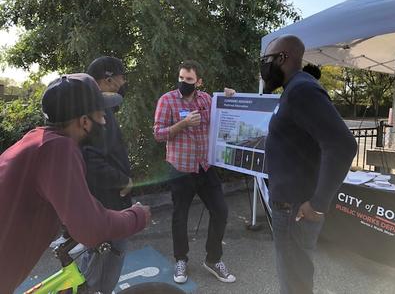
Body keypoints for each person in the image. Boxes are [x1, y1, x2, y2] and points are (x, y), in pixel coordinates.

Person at [0, 73, 151, 293]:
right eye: (101, 114)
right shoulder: (58, 149)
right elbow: (91, 228)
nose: (105, 120)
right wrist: (138, 216)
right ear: (84, 121)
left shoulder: (36, 139)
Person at [261, 35, 357, 294]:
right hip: (288, 206)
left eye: (266, 60)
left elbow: (343, 145)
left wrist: (318, 204)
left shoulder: (302, 90)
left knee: (295, 284)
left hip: (296, 211)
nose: (263, 67)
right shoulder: (293, 89)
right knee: (293, 279)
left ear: (283, 58)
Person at [153, 60, 236, 284]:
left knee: (221, 211)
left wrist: (230, 99)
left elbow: (223, 121)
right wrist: (182, 124)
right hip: (180, 169)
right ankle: (181, 260)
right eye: (181, 78)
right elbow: (158, 134)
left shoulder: (207, 99)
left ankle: (213, 259)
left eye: (189, 80)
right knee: (180, 217)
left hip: (205, 167)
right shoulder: (167, 100)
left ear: (199, 81)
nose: (184, 83)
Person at [78, 56, 135, 293]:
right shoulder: (94, 111)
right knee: (107, 254)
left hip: (106, 200)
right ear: (109, 79)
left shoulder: (99, 107)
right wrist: (122, 180)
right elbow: (91, 160)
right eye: (122, 77)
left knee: (94, 254)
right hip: (108, 201)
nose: (124, 82)